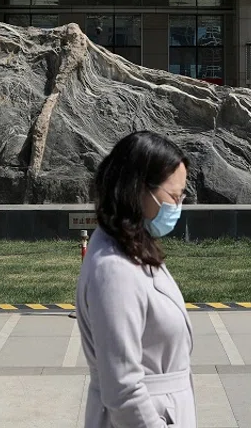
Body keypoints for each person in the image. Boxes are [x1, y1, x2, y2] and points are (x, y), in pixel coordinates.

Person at [76, 131, 196, 428]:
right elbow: (123, 387)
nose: (178, 206)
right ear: (139, 190)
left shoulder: (132, 248)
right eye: (173, 196)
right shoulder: (114, 269)